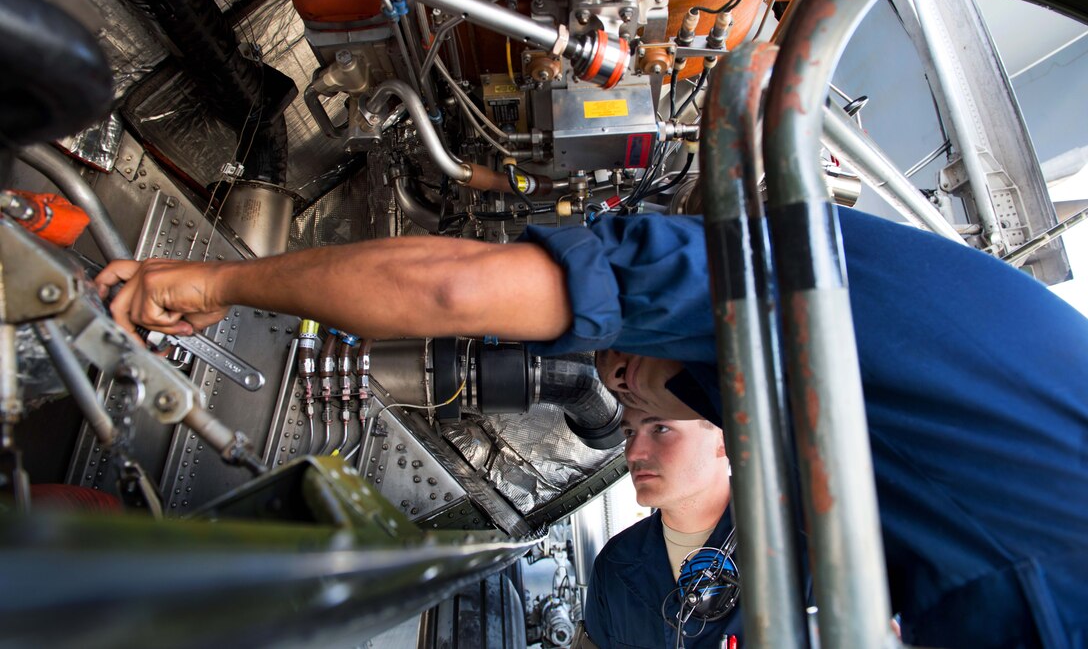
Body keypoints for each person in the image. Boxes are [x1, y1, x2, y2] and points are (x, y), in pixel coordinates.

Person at [97, 206, 1088, 648]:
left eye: (623, 375)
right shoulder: (880, 352)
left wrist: (218, 283)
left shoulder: (770, 267)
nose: (617, 389)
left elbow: (450, 285)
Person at [582, 404, 739, 648]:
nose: (633, 453)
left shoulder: (794, 554)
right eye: (629, 433)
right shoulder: (614, 564)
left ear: (723, 439)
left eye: (660, 429)